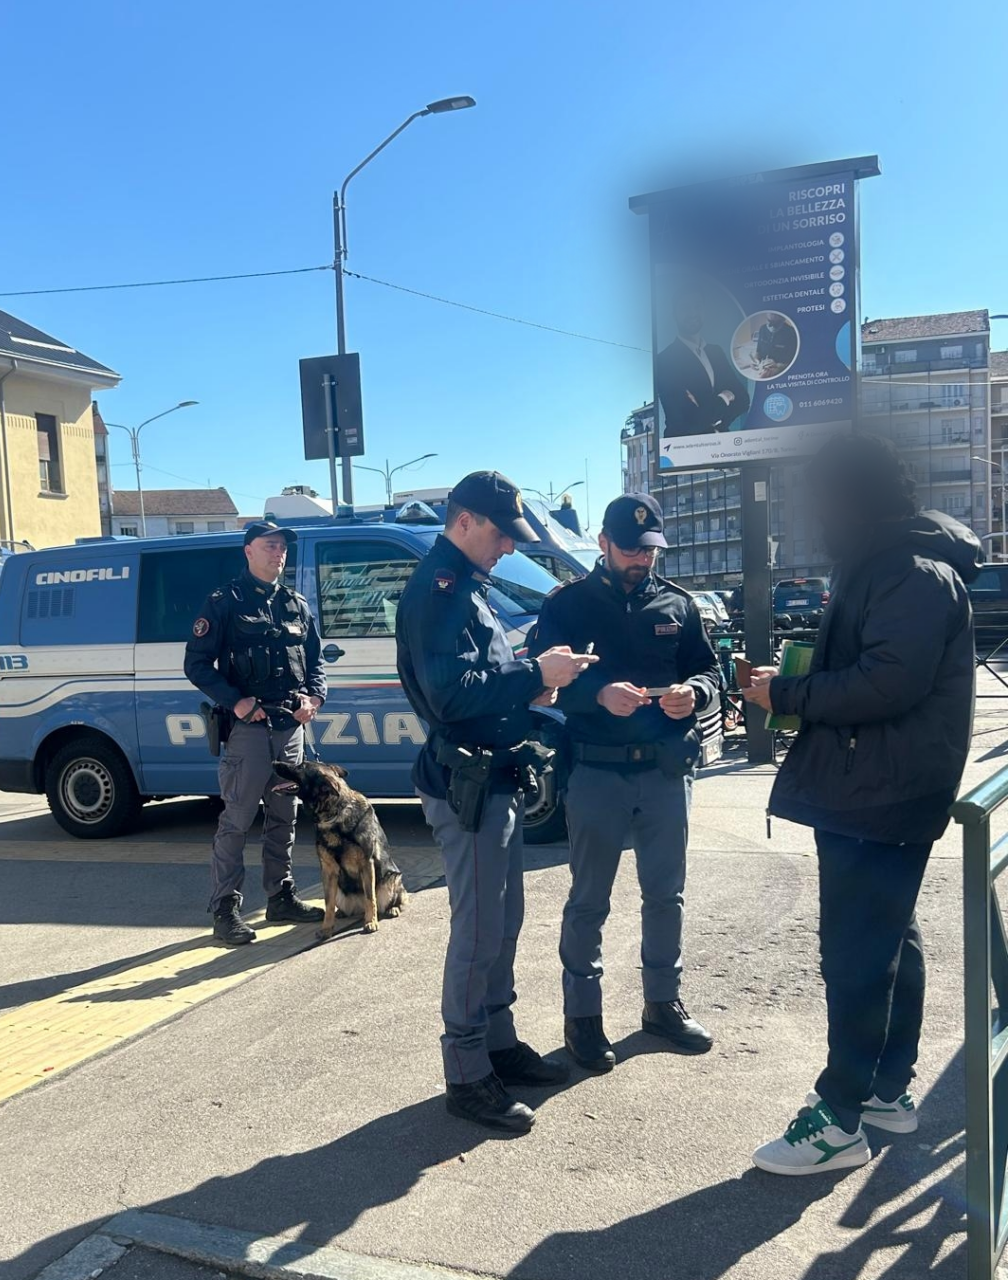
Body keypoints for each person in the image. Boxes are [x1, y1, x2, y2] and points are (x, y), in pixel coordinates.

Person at [745, 433, 980, 1176]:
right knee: (885, 945)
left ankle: (838, 1117)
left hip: (878, 792)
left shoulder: (909, 571)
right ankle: (884, 1091)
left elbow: (887, 683)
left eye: (818, 496)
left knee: (853, 957)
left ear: (851, 497)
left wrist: (783, 694)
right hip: (876, 785)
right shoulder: (892, 563)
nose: (810, 512)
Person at [395, 471, 598, 1134]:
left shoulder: (467, 588)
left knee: (501, 923)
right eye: (501, 533)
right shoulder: (438, 589)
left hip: (494, 776)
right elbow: (450, 696)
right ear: (465, 520)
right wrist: (535, 674)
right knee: (478, 929)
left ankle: (497, 1044)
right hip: (466, 784)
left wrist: (530, 687)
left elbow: (479, 682)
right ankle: (465, 1073)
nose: (508, 547)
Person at [530, 493, 721, 1072]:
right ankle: (582, 1019)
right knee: (589, 900)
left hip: (664, 773)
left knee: (667, 896)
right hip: (595, 772)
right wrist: (596, 694)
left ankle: (662, 1004)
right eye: (633, 549)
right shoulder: (568, 605)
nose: (644, 559)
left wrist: (698, 693)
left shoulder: (678, 605)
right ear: (605, 544)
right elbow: (540, 683)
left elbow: (710, 667)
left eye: (652, 550)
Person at [185, 522, 328, 946]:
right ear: (248, 551)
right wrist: (237, 702)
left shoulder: (296, 604)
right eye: (270, 546)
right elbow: (196, 664)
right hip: (248, 732)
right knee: (237, 820)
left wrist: (314, 700)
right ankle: (225, 908)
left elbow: (317, 662)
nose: (278, 554)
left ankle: (280, 896)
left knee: (285, 817)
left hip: (290, 730)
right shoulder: (224, 602)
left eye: (282, 547)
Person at [655, 286, 750, 438]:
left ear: (704, 311)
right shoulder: (665, 359)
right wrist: (725, 396)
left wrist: (710, 415)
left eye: (697, 306)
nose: (692, 313)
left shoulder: (715, 352)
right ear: (675, 314)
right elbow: (687, 420)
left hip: (723, 446)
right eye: (685, 308)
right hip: (684, 451)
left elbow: (743, 399)